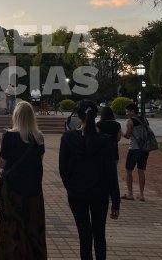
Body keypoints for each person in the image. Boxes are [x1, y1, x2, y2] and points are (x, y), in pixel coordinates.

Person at [59, 100, 120, 260]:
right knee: (100, 233)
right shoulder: (106, 140)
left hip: (77, 193)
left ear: (78, 117)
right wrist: (116, 200)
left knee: (84, 234)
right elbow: (111, 172)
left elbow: (63, 169)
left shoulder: (68, 138)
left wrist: (70, 187)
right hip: (100, 192)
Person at [0, 101, 47, 259]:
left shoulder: (9, 136)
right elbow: (39, 159)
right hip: (33, 187)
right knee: (33, 225)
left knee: (11, 227)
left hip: (12, 188)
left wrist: (0, 145)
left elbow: (2, 163)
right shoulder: (39, 137)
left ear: (16, 116)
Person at [122, 102, 149, 201]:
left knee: (129, 171)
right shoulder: (145, 119)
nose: (126, 114)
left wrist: (120, 133)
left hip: (134, 148)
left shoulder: (130, 121)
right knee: (141, 171)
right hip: (145, 148)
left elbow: (128, 136)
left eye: (127, 112)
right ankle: (142, 195)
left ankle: (130, 194)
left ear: (132, 111)